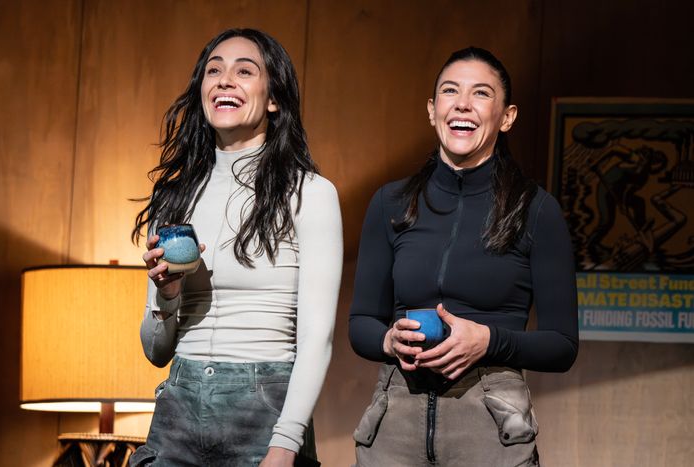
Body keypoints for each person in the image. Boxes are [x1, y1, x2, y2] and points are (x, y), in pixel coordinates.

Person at [348, 47, 578, 466]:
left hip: (491, 428)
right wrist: (388, 339)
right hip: (394, 423)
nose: (463, 104)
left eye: (481, 94)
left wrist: (488, 340)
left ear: (506, 116)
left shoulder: (536, 210)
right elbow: (361, 322)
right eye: (450, 91)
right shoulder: (391, 202)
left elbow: (562, 346)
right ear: (433, 110)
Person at [130, 28, 342, 467]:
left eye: (245, 71)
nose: (225, 80)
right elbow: (156, 352)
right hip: (178, 405)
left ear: (273, 99)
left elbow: (317, 339)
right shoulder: (172, 196)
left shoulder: (310, 193)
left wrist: (285, 444)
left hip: (264, 407)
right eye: (214, 70)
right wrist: (167, 297)